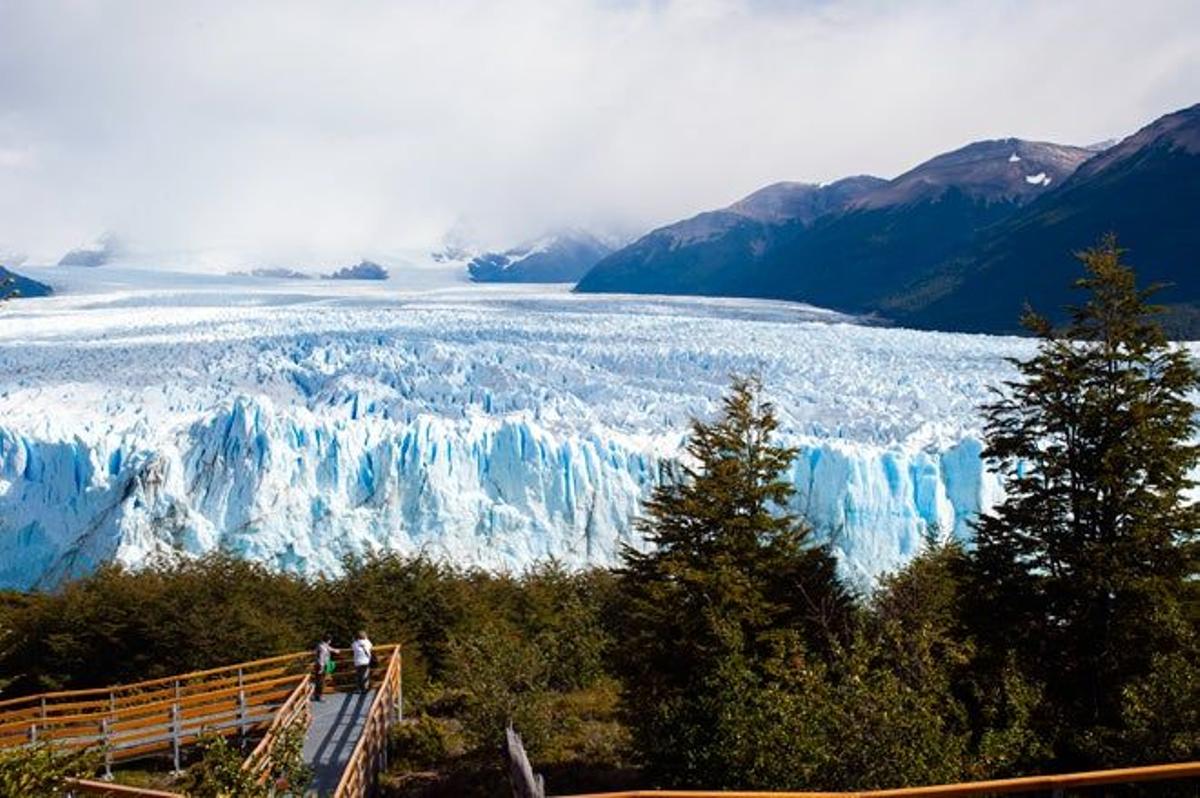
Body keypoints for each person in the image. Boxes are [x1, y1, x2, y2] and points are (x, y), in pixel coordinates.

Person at [313, 635, 339, 701]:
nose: (330, 641)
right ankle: (319, 696)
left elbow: (328, 648)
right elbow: (321, 658)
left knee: (319, 680)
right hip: (321, 665)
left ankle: (317, 695)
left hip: (319, 665)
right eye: (330, 640)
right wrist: (321, 668)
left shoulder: (321, 645)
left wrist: (334, 650)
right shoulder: (322, 647)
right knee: (320, 681)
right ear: (328, 640)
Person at [351, 630, 373, 694]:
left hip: (358, 662)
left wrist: (354, 640)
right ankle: (365, 688)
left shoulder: (355, 643)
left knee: (358, 676)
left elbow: (352, 647)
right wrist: (366, 639)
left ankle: (358, 689)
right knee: (365, 675)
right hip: (366, 661)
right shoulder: (367, 642)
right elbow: (371, 646)